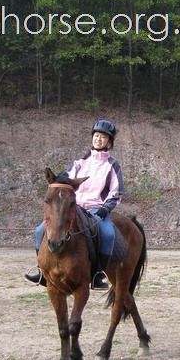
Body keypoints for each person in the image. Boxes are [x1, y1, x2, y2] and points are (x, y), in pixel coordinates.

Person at [24, 119, 123, 290]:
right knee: (40, 230)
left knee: (108, 234)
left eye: (103, 137)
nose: (99, 139)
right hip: (74, 207)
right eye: (96, 136)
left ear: (109, 142)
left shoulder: (112, 166)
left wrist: (104, 209)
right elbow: (65, 181)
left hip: (96, 210)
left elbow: (116, 192)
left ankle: (98, 274)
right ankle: (42, 271)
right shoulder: (79, 162)